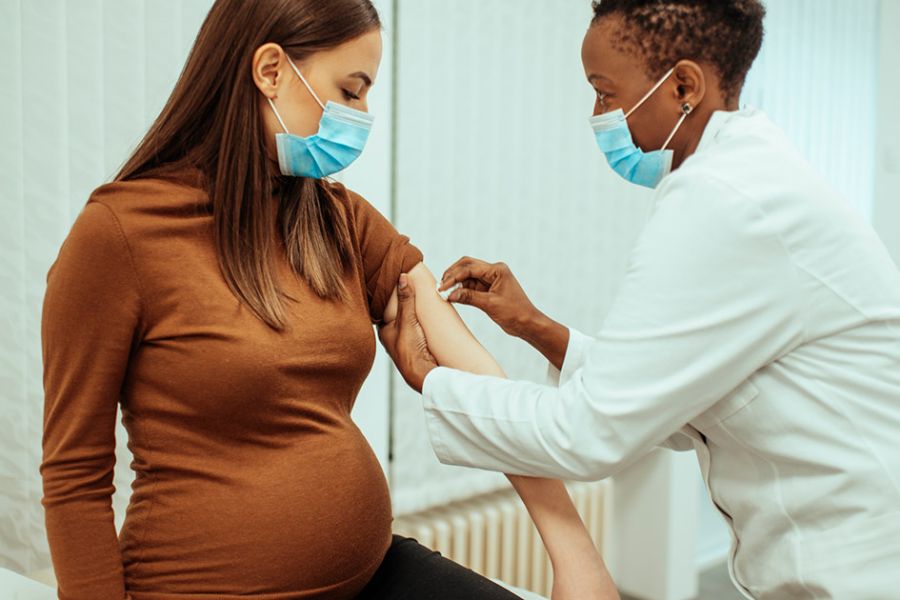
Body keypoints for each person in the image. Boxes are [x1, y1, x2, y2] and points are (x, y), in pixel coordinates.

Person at [39, 0, 618, 598]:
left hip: (371, 573)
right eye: (350, 90)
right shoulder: (119, 235)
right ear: (270, 71)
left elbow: (476, 375)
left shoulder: (335, 218)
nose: (363, 115)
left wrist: (575, 554)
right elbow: (74, 477)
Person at [380, 0, 900, 598]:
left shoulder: (724, 202)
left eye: (605, 93)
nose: (597, 115)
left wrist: (429, 377)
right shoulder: (741, 180)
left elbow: (590, 432)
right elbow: (675, 400)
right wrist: (533, 325)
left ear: (683, 85)